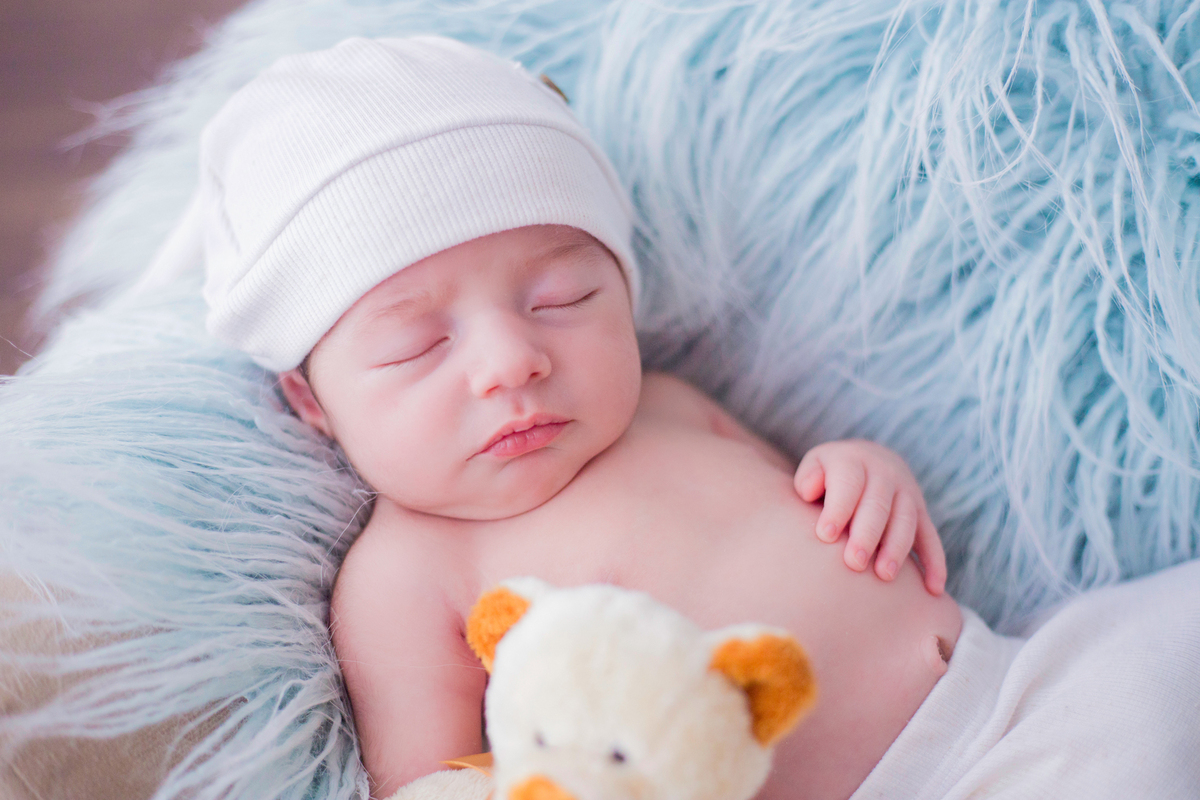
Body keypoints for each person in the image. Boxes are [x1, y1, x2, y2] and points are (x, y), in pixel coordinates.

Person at [199, 36, 1200, 800]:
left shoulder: (667, 408)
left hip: (1023, 678)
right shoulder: (406, 574)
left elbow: (798, 499)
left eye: (561, 298)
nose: (513, 359)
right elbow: (433, 779)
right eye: (419, 345)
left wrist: (862, 469)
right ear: (311, 401)